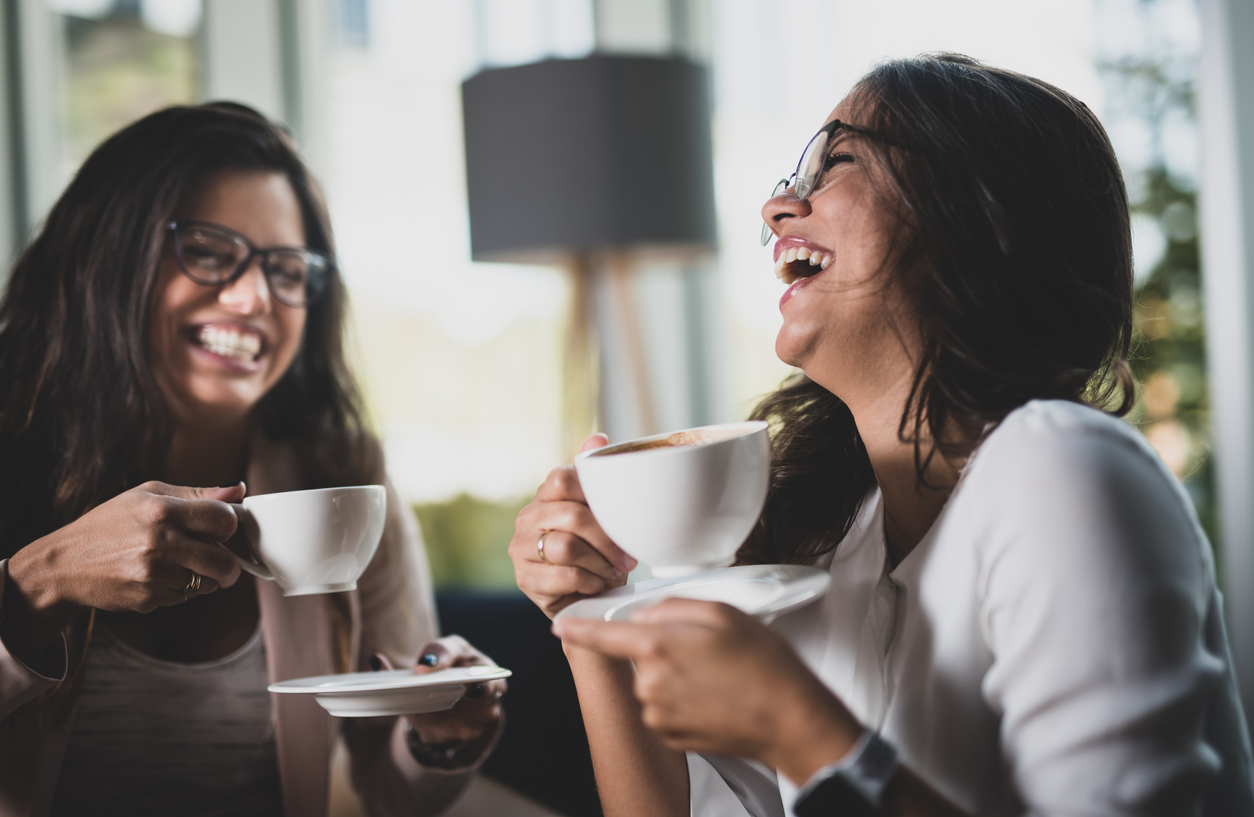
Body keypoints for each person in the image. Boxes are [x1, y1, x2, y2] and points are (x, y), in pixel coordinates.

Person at [508, 54, 1254, 816]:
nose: (777, 209)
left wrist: (798, 727)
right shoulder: (838, 541)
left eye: (836, 162)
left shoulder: (1062, 468)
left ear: (975, 212)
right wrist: (587, 618)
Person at [0, 102, 504, 817]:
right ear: (106, 257)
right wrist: (39, 583)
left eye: (286, 268)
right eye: (207, 251)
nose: (253, 297)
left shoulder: (341, 471)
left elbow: (391, 791)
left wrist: (441, 738)